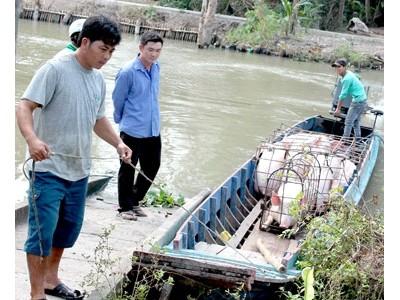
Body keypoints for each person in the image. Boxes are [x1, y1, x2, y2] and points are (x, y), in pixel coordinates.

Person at [16, 15, 132, 300]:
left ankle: (51, 280)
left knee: (68, 230)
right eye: (103, 49)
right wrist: (32, 139)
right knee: (42, 233)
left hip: (79, 171)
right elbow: (24, 106)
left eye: (112, 51)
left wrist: (118, 143)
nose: (107, 56)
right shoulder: (54, 69)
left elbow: (98, 119)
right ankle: (35, 294)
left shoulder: (97, 80)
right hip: (48, 168)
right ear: (85, 42)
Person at [112, 31, 164, 221]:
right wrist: (120, 122)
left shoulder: (156, 68)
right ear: (141, 48)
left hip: (152, 128)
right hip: (132, 128)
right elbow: (118, 98)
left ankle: (134, 200)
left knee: (153, 166)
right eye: (150, 50)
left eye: (158, 50)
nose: (154, 54)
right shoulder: (128, 71)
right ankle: (125, 207)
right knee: (127, 168)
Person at [332, 58, 368, 139]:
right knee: (356, 122)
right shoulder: (348, 73)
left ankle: (344, 142)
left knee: (348, 122)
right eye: (335, 67)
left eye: (339, 67)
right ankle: (358, 140)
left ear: (344, 67)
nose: (337, 69)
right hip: (362, 99)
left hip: (358, 101)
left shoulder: (347, 78)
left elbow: (343, 95)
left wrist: (338, 109)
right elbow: (357, 76)